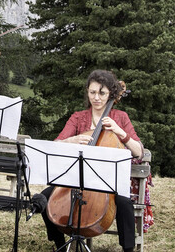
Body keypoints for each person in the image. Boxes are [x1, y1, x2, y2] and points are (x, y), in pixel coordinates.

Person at [38, 69, 145, 252]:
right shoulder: (78, 117)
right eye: (93, 92)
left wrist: (120, 132)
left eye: (102, 93)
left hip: (107, 182)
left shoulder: (120, 117)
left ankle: (128, 249)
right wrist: (71, 140)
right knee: (44, 198)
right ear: (87, 92)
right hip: (76, 178)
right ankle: (59, 245)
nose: (96, 98)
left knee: (125, 203)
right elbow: (56, 144)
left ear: (110, 94)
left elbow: (139, 152)